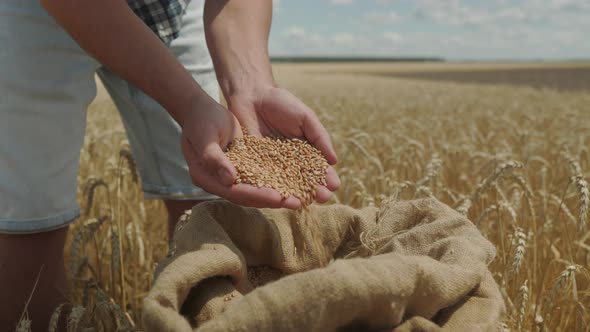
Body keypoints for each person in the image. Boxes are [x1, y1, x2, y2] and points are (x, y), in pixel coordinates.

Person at [0, 0, 340, 329]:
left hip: (167, 7)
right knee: (29, 223)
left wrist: (252, 85)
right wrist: (191, 103)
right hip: (39, 8)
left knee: (206, 211)